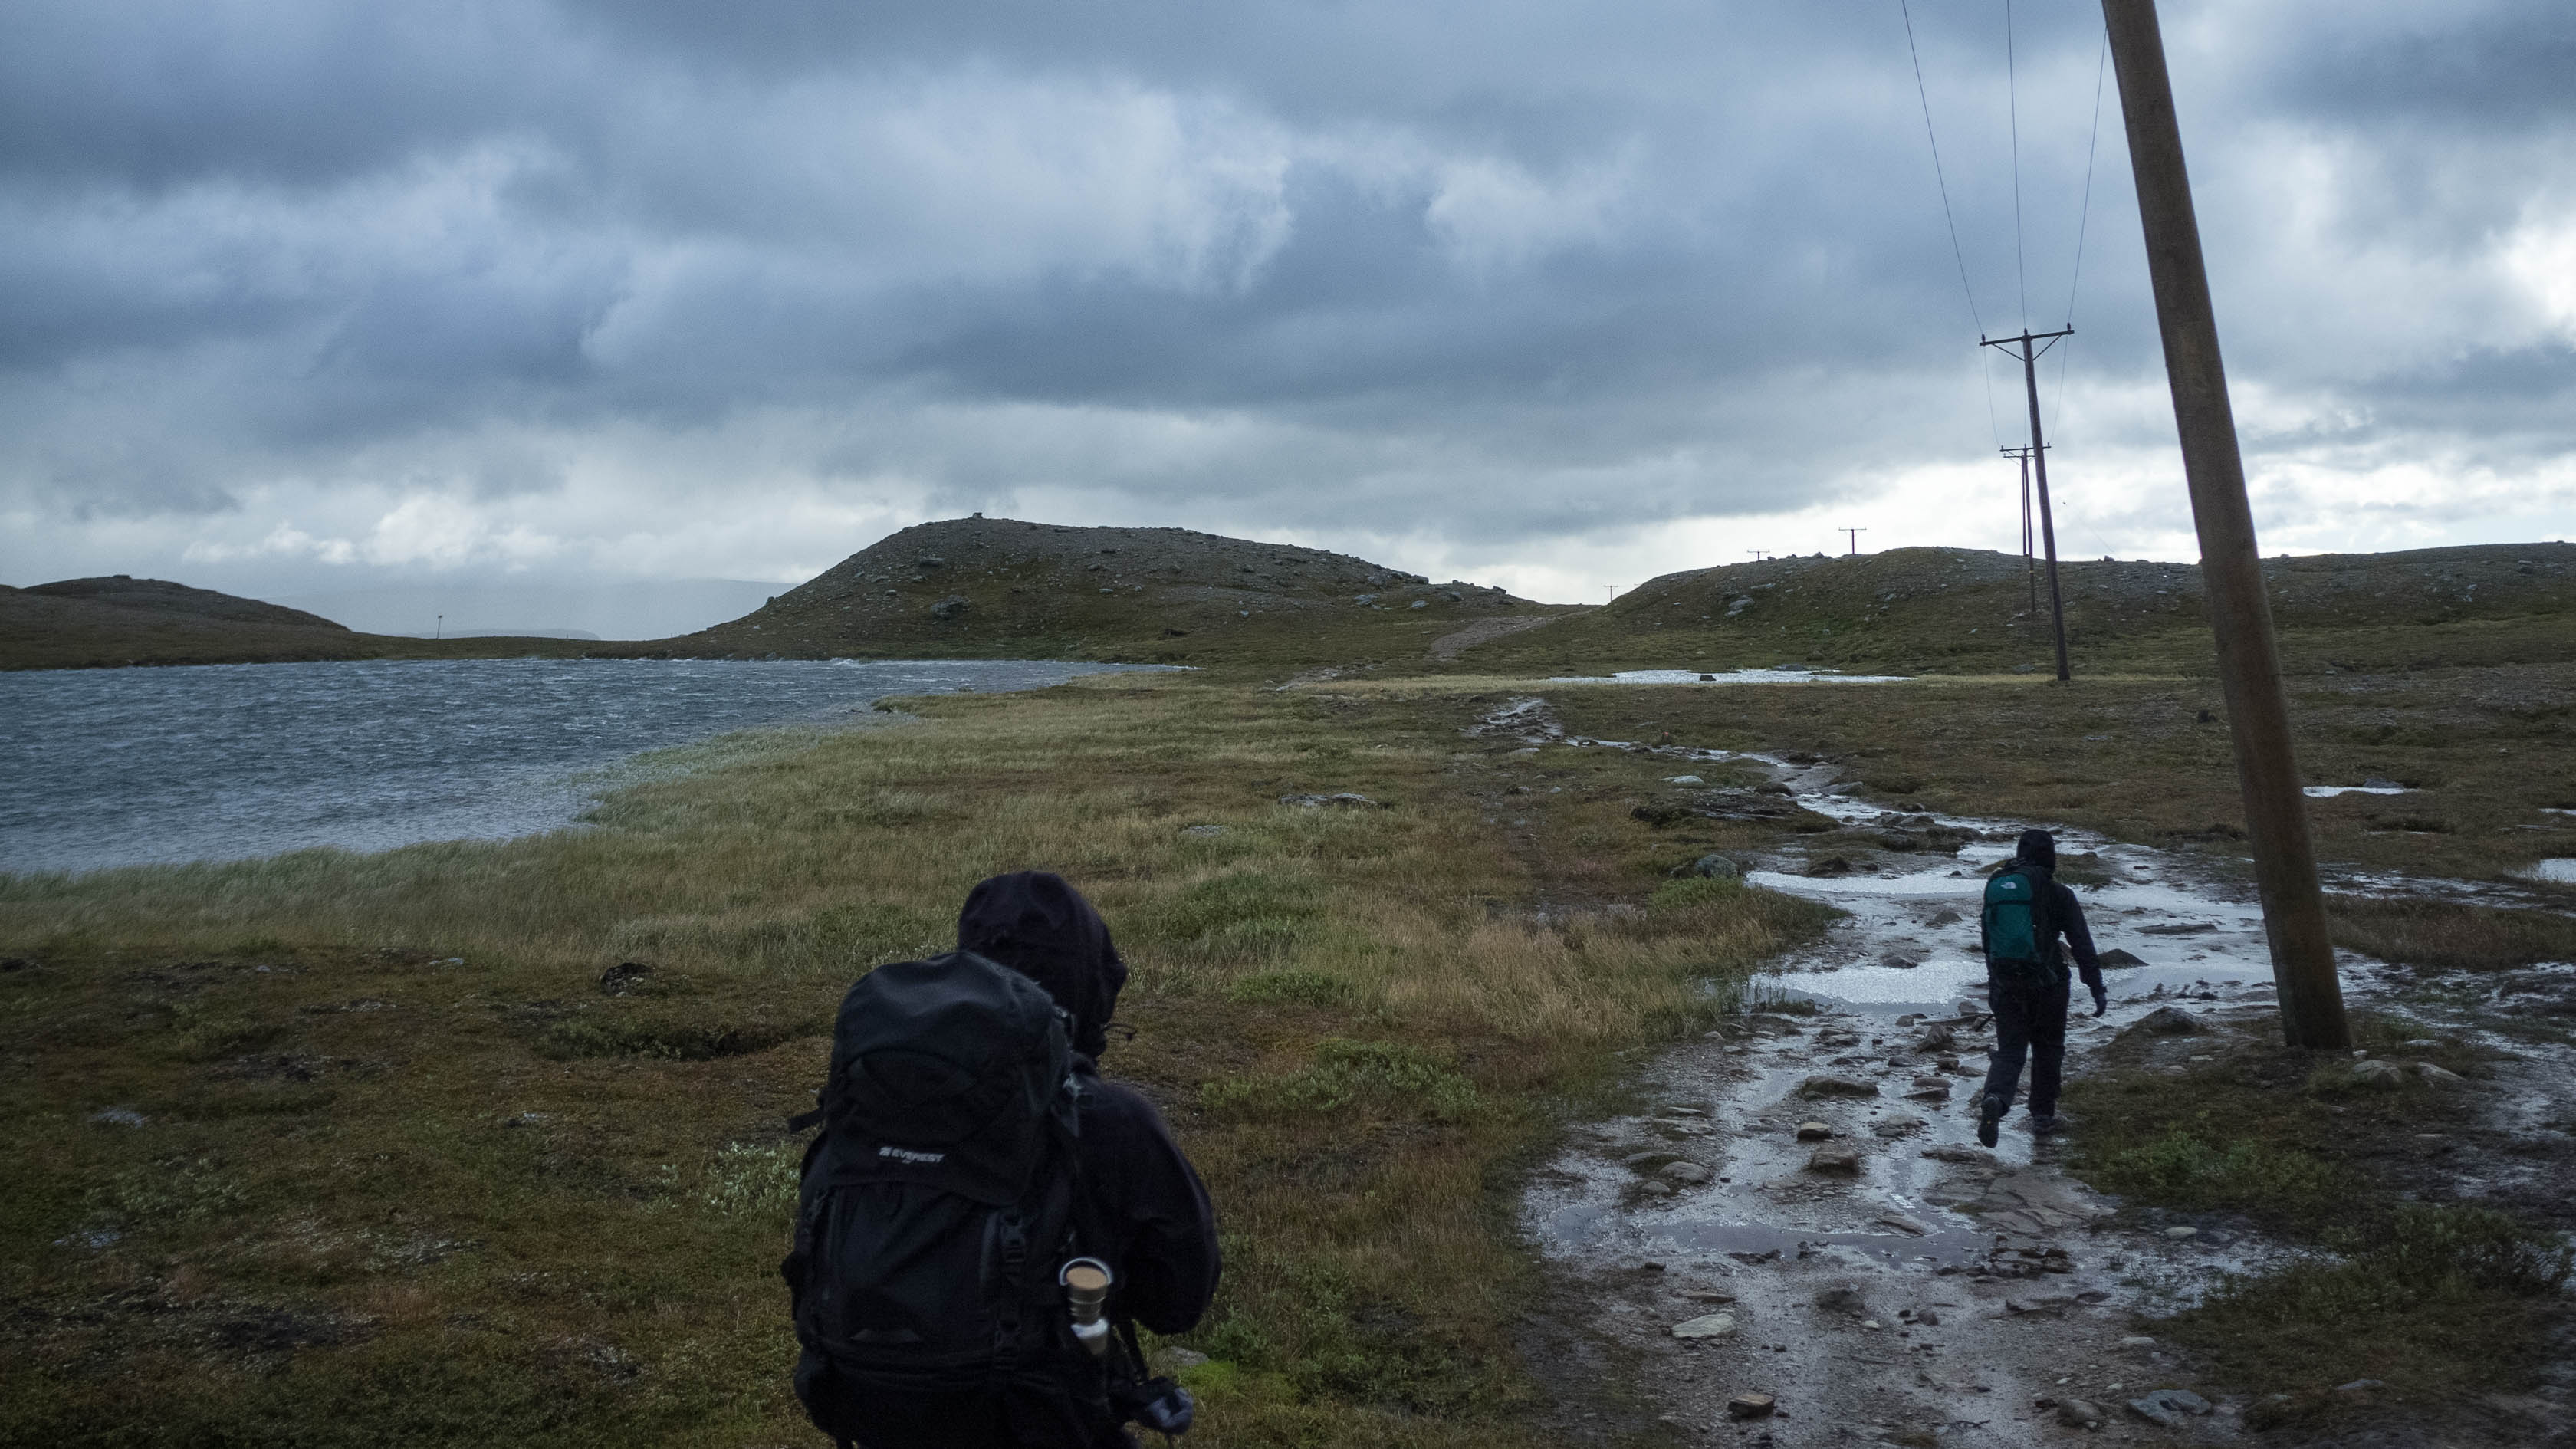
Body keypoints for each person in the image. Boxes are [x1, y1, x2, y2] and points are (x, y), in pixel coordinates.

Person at [790, 872, 1221, 1448]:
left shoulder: (890, 1092)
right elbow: (1178, 1304)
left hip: (873, 1413)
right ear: (1087, 980)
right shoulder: (1111, 1120)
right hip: (1043, 1421)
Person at [1976, 829, 2104, 1147]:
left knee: (2010, 1051)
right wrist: (2096, 987)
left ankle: (1996, 1098)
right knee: (2048, 1048)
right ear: (2051, 856)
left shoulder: (1998, 887)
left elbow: (1988, 941)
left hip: (2006, 985)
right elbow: (2082, 945)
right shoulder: (2058, 893)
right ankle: (2043, 1116)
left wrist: (1997, 984)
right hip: (2049, 985)